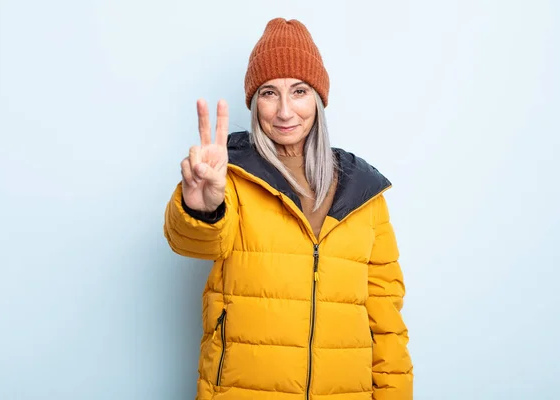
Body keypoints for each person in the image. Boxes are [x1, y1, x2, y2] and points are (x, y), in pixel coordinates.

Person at [164, 17, 413, 400]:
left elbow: (387, 324)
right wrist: (202, 210)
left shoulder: (365, 193)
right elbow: (196, 243)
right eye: (268, 93)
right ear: (254, 102)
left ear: (318, 98)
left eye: (298, 91)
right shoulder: (229, 176)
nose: (284, 112)